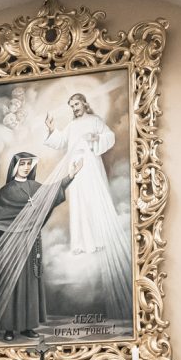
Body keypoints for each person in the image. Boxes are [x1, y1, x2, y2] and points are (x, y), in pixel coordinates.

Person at [0, 151, 81, 342]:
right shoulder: (5, 192)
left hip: (30, 243)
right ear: (15, 167)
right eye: (23, 164)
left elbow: (53, 191)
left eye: (29, 164)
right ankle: (9, 328)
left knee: (29, 284)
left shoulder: (35, 188)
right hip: (9, 245)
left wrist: (71, 176)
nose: (26, 167)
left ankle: (27, 326)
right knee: (9, 284)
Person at [44, 93, 117, 255]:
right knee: (78, 201)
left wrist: (96, 137)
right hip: (75, 166)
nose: (74, 108)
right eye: (72, 106)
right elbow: (61, 141)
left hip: (91, 164)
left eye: (76, 104)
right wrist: (51, 128)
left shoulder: (95, 120)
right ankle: (80, 244)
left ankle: (98, 241)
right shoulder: (72, 125)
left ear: (84, 103)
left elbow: (110, 136)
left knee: (93, 199)